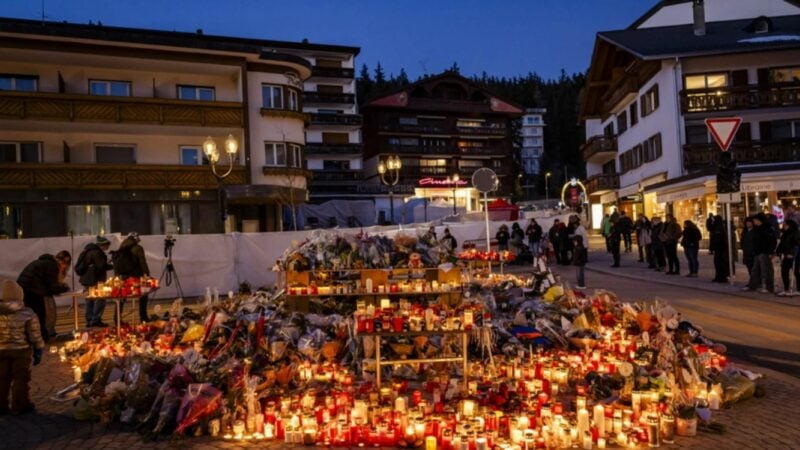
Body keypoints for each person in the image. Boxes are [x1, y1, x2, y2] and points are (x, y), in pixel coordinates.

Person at [0, 280, 44, 415]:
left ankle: (1, 405)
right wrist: (38, 348)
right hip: (21, 350)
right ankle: (20, 404)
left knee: (2, 377)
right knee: (21, 377)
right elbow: (34, 333)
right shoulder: (27, 313)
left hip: (1, 350)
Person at [16, 251, 70, 342]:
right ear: (62, 263)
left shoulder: (43, 263)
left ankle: (32, 338)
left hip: (22, 289)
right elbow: (52, 287)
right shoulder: (52, 266)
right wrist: (64, 288)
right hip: (32, 291)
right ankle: (42, 339)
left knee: (29, 315)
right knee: (40, 315)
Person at [113, 232, 150, 323]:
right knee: (143, 295)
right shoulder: (138, 248)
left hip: (123, 276)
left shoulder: (122, 247)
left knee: (121, 297)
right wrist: (147, 273)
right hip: (136, 276)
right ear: (136, 239)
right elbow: (142, 262)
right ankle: (143, 317)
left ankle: (117, 319)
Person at [77, 236, 113, 327]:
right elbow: (101, 266)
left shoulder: (88, 251)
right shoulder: (97, 252)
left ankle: (89, 320)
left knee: (89, 300)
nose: (107, 248)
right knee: (100, 299)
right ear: (102, 245)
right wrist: (112, 265)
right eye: (107, 245)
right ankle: (96, 320)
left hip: (86, 279)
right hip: (95, 279)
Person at [744, 213, 777, 293]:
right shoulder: (757, 229)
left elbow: (772, 241)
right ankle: (752, 285)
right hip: (757, 252)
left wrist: (771, 252)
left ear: (759, 220)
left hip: (765, 252)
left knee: (766, 270)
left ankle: (769, 287)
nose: (754, 222)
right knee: (755, 270)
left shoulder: (767, 229)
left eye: (755, 220)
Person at [776, 219, 798, 296]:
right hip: (786, 255)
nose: (784, 226)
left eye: (785, 225)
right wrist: (778, 252)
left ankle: (798, 289)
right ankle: (786, 289)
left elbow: (797, 245)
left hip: (794, 256)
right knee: (784, 272)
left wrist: (792, 254)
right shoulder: (784, 234)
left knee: (796, 273)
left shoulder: (795, 233)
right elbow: (782, 244)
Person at [710, 216, 730, 283]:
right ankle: (718, 277)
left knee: (720, 263)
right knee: (717, 263)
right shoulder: (716, 228)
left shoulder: (719, 228)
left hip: (721, 249)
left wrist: (715, 246)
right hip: (718, 249)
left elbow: (719, 239)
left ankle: (722, 277)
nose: (713, 221)